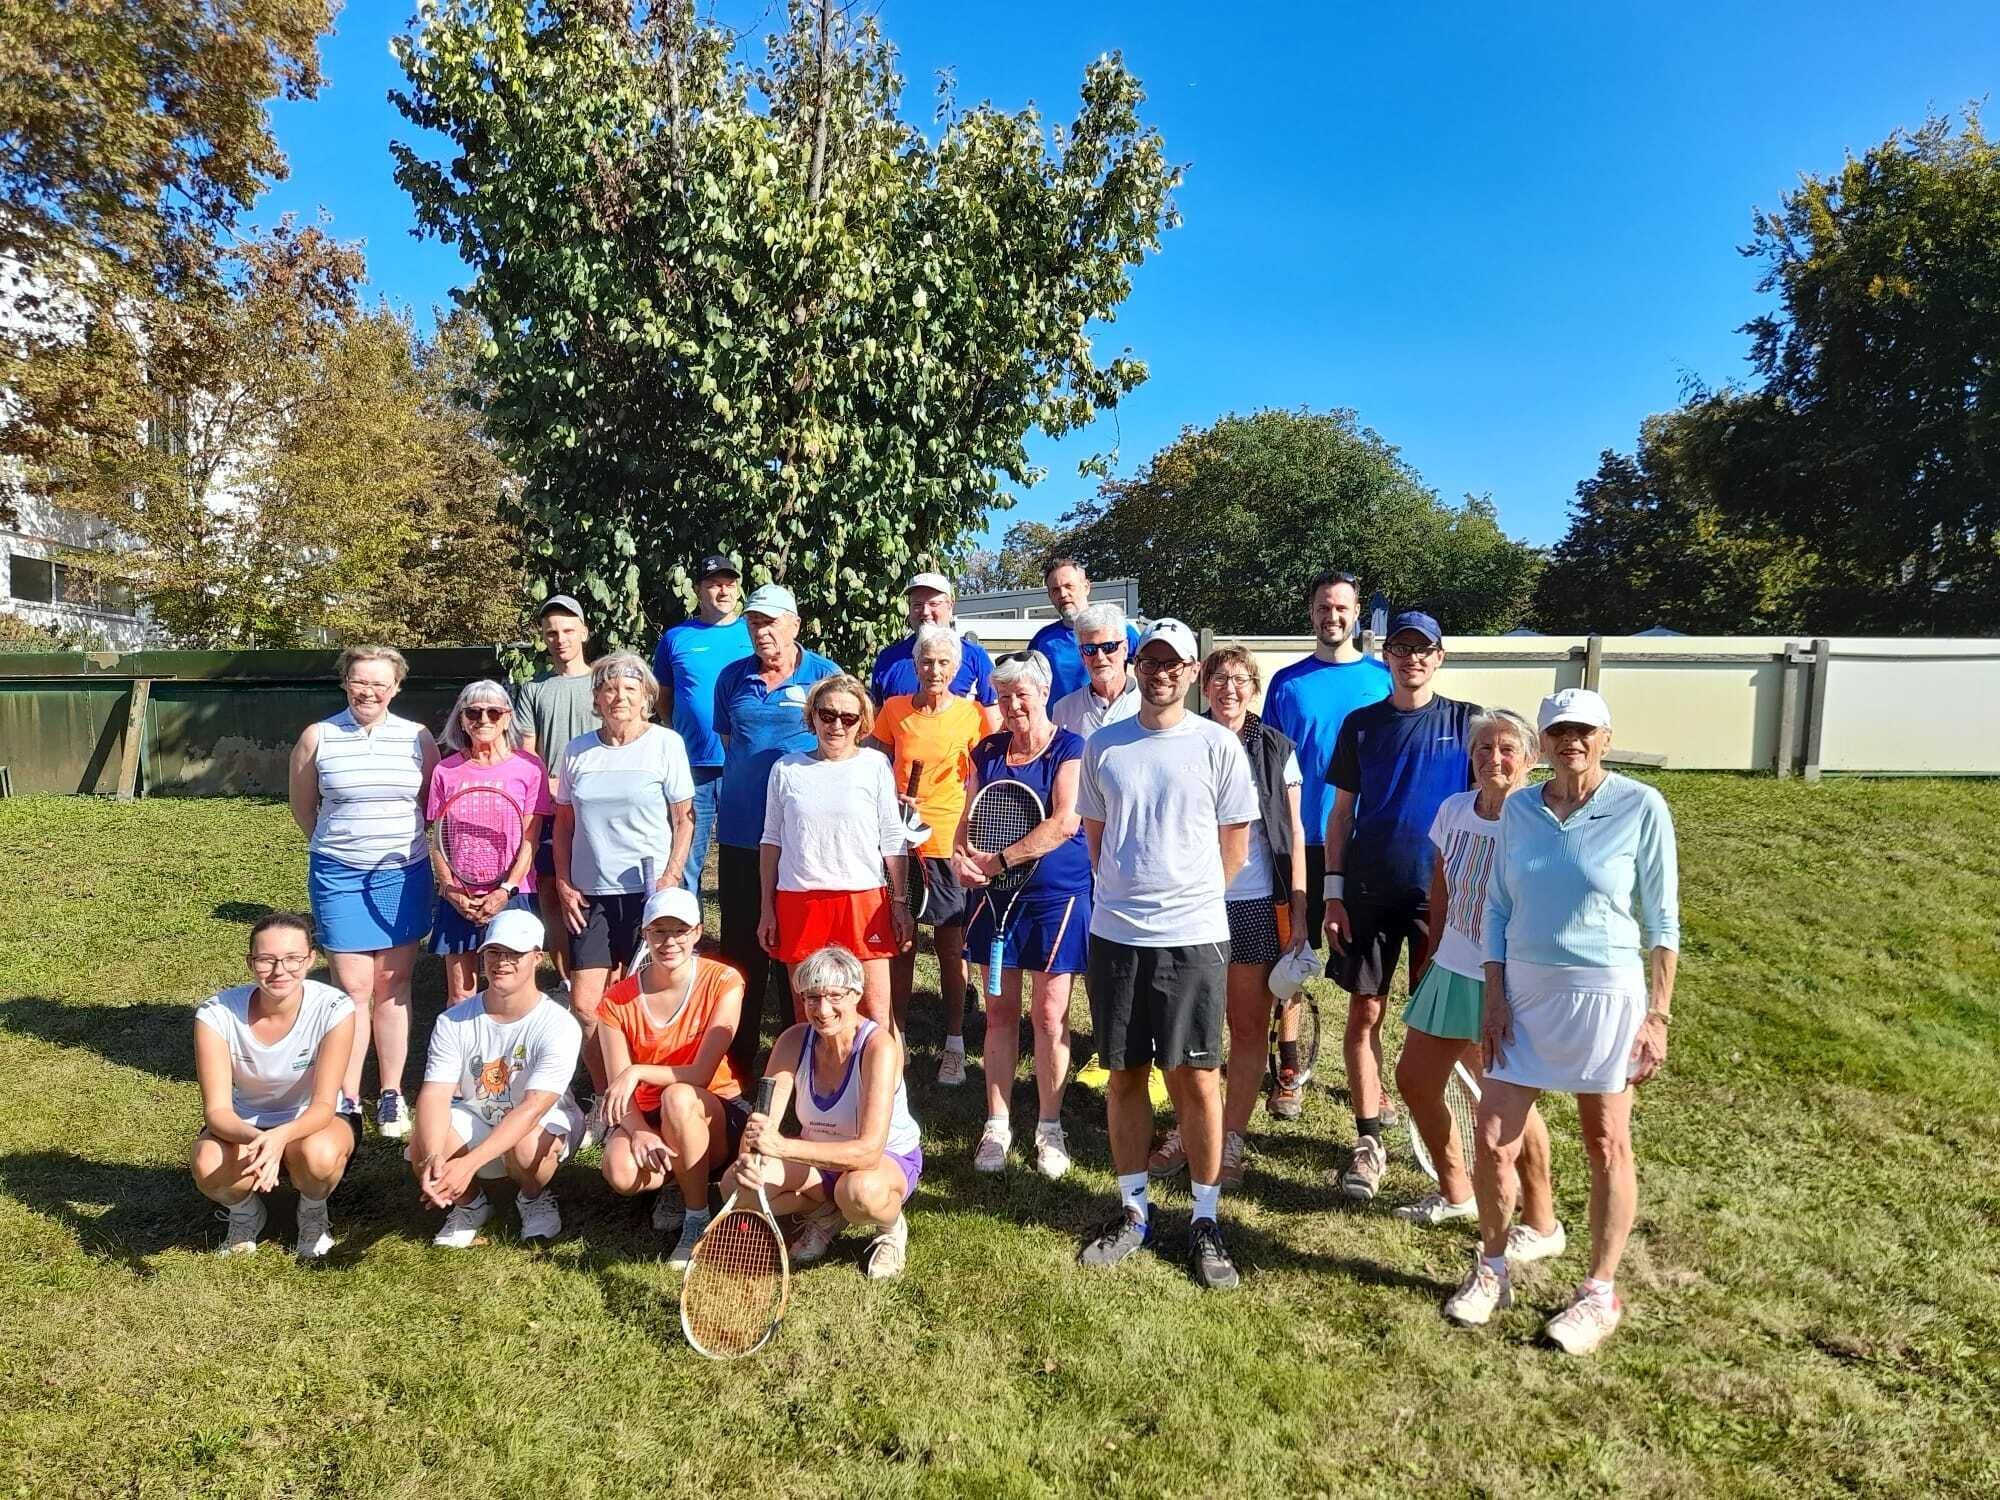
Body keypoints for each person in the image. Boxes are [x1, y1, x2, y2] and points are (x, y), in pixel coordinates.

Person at [1446, 688, 1680, 1357]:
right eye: (1559, 732)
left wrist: (1657, 1014)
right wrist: (1493, 996)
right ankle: (1492, 1268)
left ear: (1604, 738)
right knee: (1493, 1136)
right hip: (1523, 991)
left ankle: (1600, 1291)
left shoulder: (1641, 805)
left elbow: (1662, 921)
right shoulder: (1521, 808)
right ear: (1543, 743)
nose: (1571, 742)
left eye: (1584, 731)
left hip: (1607, 993)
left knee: (1605, 1140)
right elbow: (1495, 907)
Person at [1075, 618, 1258, 1291]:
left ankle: (1205, 1218)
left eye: (1173, 663)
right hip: (1116, 935)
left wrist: (1187, 902)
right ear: (1139, 665)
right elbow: (1098, 840)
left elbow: (1233, 846)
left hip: (1193, 937)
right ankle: (1133, 1210)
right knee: (1124, 1076)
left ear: (1191, 672)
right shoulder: (1106, 746)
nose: (1160, 673)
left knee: (1196, 1078)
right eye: (1149, 660)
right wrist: (1130, 895)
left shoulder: (1217, 746)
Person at [1390, 708, 1561, 1246]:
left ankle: (1541, 1221)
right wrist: (1432, 955)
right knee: (1415, 1082)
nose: (1494, 758)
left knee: (1507, 1105)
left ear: (1531, 759)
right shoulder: (1454, 810)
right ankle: (1455, 1191)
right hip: (1450, 970)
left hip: (1509, 984)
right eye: (1484, 748)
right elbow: (1440, 887)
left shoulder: (1541, 823)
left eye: (1508, 748)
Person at [1324, 610, 1477, 1201]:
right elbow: (1340, 816)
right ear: (1385, 656)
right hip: (1367, 891)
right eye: (1401, 648)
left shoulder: (1466, 724)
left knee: (1447, 1026)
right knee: (1365, 1015)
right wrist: (1334, 893)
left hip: (1443, 898)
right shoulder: (1361, 725)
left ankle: (1452, 1144)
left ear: (1439, 657)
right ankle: (1368, 1142)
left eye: (1423, 649)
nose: (1411, 658)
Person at [1147, 645, 1307, 1189]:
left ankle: (1230, 1136)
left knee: (1245, 1028)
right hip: (1190, 908)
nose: (1229, 688)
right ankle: (1189, 1130)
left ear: (1254, 688)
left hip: (1256, 907)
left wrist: (1300, 911)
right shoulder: (1182, 739)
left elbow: (1294, 835)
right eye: (1218, 678)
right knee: (1190, 1029)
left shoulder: (1278, 749)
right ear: (1203, 685)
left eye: (1239, 679)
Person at [288, 644, 438, 1142]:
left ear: (396, 688)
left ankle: (391, 1092)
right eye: (359, 681)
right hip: (339, 875)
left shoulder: (418, 738)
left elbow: (427, 803)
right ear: (344, 683)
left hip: (403, 873)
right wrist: (340, 849)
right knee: (352, 989)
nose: (368, 691)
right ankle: (347, 1096)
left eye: (379, 683)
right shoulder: (318, 737)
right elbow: (304, 807)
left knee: (393, 987)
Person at [952, 649, 1090, 1179]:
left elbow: (1065, 823)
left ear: (1043, 694)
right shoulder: (986, 750)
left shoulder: (1070, 747)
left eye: (1021, 695)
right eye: (1003, 696)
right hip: (993, 899)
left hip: (1054, 898)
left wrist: (1002, 859)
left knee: (1050, 1015)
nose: (1012, 706)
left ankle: (1050, 1128)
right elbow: (968, 818)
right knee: (999, 1014)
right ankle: (998, 1124)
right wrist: (965, 860)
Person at [552, 652, 695, 1124]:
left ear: (646, 698)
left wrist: (672, 875)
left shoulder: (666, 745)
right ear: (596, 698)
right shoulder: (576, 751)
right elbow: (565, 824)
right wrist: (566, 882)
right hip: (591, 894)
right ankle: (606, 1097)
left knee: (648, 1000)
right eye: (609, 689)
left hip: (648, 894)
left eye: (630, 689)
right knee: (586, 1004)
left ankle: (653, 1096)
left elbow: (684, 818)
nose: (619, 697)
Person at [722, 944, 922, 1279]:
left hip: (883, 1160)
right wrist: (748, 1158)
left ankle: (889, 1227)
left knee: (858, 1192)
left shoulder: (878, 1047)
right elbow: (761, 1122)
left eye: (834, 995)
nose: (823, 1009)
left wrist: (783, 1147)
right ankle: (827, 1212)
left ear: (856, 993)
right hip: (817, 1158)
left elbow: (869, 1151)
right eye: (812, 997)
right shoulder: (792, 1041)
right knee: (734, 1186)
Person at [713, 583, 841, 1078]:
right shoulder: (732, 678)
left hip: (803, 839)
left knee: (802, 952)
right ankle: (738, 1066)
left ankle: (807, 1062)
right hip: (743, 833)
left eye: (770, 622)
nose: (761, 632)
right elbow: (732, 741)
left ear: (794, 625)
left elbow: (844, 741)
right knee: (742, 950)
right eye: (753, 623)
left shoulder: (823, 674)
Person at [409, 910, 584, 1248]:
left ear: (537, 958)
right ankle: (469, 1205)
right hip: (479, 1115)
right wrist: (432, 1158)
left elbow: (534, 1108)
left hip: (540, 1124)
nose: (502, 962)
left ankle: (533, 1197)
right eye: (494, 952)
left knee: (526, 1144)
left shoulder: (559, 1025)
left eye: (514, 954)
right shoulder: (452, 1021)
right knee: (422, 1138)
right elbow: (434, 1095)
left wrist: (468, 1164)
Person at [596, 886, 748, 1267]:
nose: (669, 941)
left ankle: (696, 1217)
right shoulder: (615, 1000)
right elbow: (619, 1091)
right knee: (619, 1171)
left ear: (697, 932)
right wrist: (640, 1131)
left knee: (678, 1097)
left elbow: (700, 1074)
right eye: (658, 931)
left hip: (712, 1107)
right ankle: (684, 1181)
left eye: (679, 930)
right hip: (650, 1115)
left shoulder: (724, 981)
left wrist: (637, 1070)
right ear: (645, 935)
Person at [192, 913, 358, 1259]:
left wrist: (279, 1138)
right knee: (207, 1164)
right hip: (247, 1122)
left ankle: (313, 1213)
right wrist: (260, 1140)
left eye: (293, 959)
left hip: (314, 1119)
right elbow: (217, 1111)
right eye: (266, 960)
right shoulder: (215, 1014)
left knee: (319, 1156)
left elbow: (325, 1105)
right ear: (250, 963)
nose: (280, 970)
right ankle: (245, 1213)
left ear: (311, 959)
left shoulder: (334, 1008)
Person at [758, 674, 912, 1025]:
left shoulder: (875, 765)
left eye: (848, 718)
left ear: (862, 723)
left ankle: (880, 1080)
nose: (837, 725)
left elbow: (892, 837)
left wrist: (899, 904)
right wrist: (767, 908)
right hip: (800, 900)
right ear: (812, 716)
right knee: (808, 1012)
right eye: (827, 715)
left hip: (862, 899)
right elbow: (771, 840)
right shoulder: (785, 768)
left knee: (873, 1010)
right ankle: (815, 1080)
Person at [869, 621, 984, 1078]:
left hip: (949, 842)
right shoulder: (894, 710)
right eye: (926, 662)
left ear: (956, 667)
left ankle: (953, 1040)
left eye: (943, 662)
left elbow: (985, 775)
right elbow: (873, 763)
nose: (934, 670)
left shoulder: (974, 715)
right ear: (914, 665)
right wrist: (889, 797)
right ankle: (892, 1036)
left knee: (950, 944)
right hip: (899, 843)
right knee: (901, 941)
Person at [1260, 569, 1391, 969]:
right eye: (1323, 607)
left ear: (1355, 614)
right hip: (1297, 839)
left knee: (1358, 968)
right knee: (1287, 957)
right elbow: (1268, 763)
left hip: (1359, 839)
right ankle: (1288, 1034)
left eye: (1340, 607)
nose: (1331, 616)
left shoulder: (1384, 679)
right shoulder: (1287, 683)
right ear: (1311, 613)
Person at [426, 679, 550, 1007]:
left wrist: (504, 891)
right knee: (460, 994)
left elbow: (530, 839)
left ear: (507, 718)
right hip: (459, 896)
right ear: (461, 719)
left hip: (513, 892)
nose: (484, 719)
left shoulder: (529, 767)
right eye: (474, 712)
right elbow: (438, 840)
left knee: (513, 989)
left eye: (494, 712)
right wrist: (450, 889)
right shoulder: (445, 771)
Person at [651, 553, 753, 907]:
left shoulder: (752, 632)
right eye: (713, 584)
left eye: (729, 583)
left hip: (742, 766)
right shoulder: (676, 638)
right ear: (697, 590)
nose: (722, 591)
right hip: (691, 766)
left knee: (743, 856)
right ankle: (684, 934)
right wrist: (678, 731)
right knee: (687, 854)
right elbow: (663, 696)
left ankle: (739, 942)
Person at [515, 595, 599, 985]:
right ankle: (568, 978)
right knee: (552, 890)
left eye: (568, 630)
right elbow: (528, 757)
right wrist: (554, 787)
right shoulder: (534, 689)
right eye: (551, 633)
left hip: (600, 805)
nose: (560, 639)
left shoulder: (605, 682)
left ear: (584, 631)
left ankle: (602, 973)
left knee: (600, 888)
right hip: (551, 808)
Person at [869, 571, 999, 723]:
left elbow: (994, 722)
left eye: (933, 604)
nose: (925, 612)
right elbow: (875, 722)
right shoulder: (888, 659)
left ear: (950, 607)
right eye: (917, 605)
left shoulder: (974, 657)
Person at [1028, 557, 1142, 702]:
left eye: (1069, 586)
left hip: (1111, 721)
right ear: (1050, 595)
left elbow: (1150, 668)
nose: (1063, 594)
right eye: (1055, 590)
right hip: (1062, 721)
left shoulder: (1117, 628)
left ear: (1086, 587)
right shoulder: (1042, 640)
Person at [1049, 601, 1140, 739]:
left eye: (1109, 647)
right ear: (1082, 655)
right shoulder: (1064, 710)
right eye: (1090, 649)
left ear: (1125, 648)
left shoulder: (1148, 703)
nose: (1100, 657)